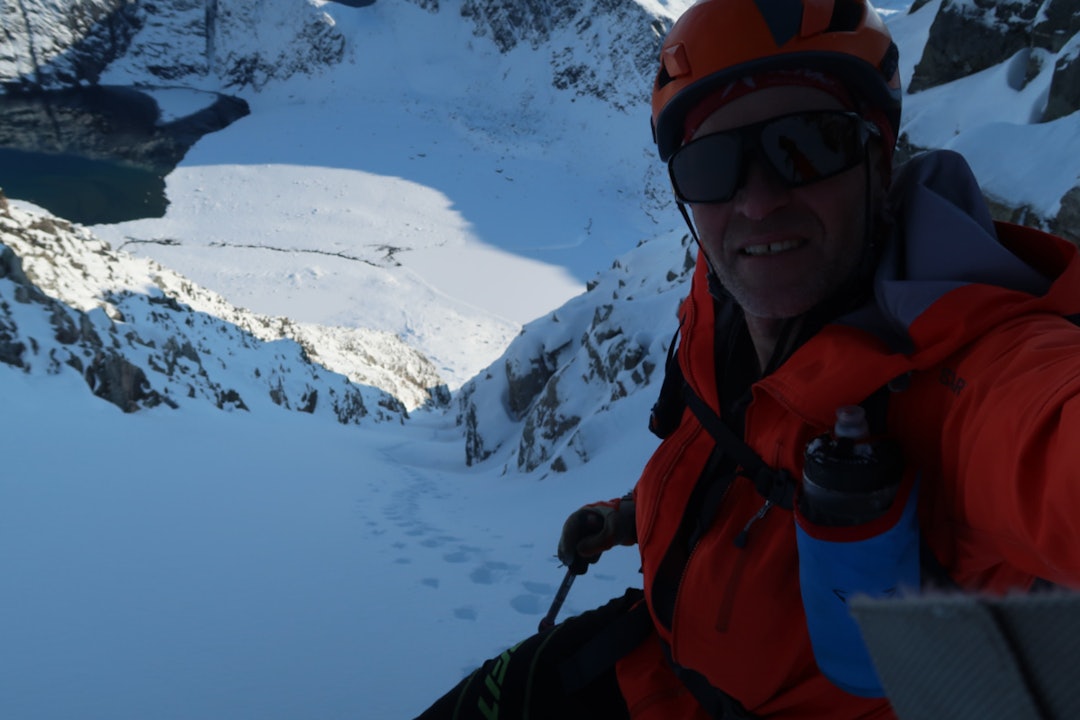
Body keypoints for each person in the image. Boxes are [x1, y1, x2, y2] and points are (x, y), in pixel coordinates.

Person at [414, 0, 1080, 717]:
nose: (759, 202)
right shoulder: (726, 315)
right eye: (712, 164)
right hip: (645, 655)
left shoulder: (975, 380)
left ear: (877, 158)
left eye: (810, 143)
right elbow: (744, 455)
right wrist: (627, 517)